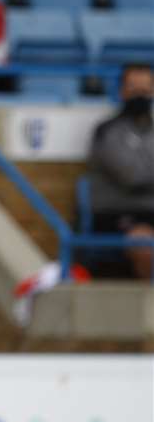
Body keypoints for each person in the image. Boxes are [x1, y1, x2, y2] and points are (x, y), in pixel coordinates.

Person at [87, 63, 154, 280]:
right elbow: (131, 177)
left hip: (150, 214)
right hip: (116, 216)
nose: (140, 95)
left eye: (145, 89)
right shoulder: (108, 131)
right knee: (145, 245)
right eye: (134, 88)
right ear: (122, 91)